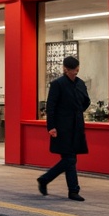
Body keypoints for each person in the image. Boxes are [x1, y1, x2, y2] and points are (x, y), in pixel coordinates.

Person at [37, 56, 89, 201]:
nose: (75, 74)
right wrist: (51, 127)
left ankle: (45, 179)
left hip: (77, 126)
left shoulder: (80, 84)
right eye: (72, 71)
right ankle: (73, 190)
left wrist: (78, 112)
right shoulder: (57, 84)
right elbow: (51, 107)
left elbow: (86, 101)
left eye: (77, 71)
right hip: (61, 128)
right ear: (65, 69)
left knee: (70, 159)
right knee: (70, 158)